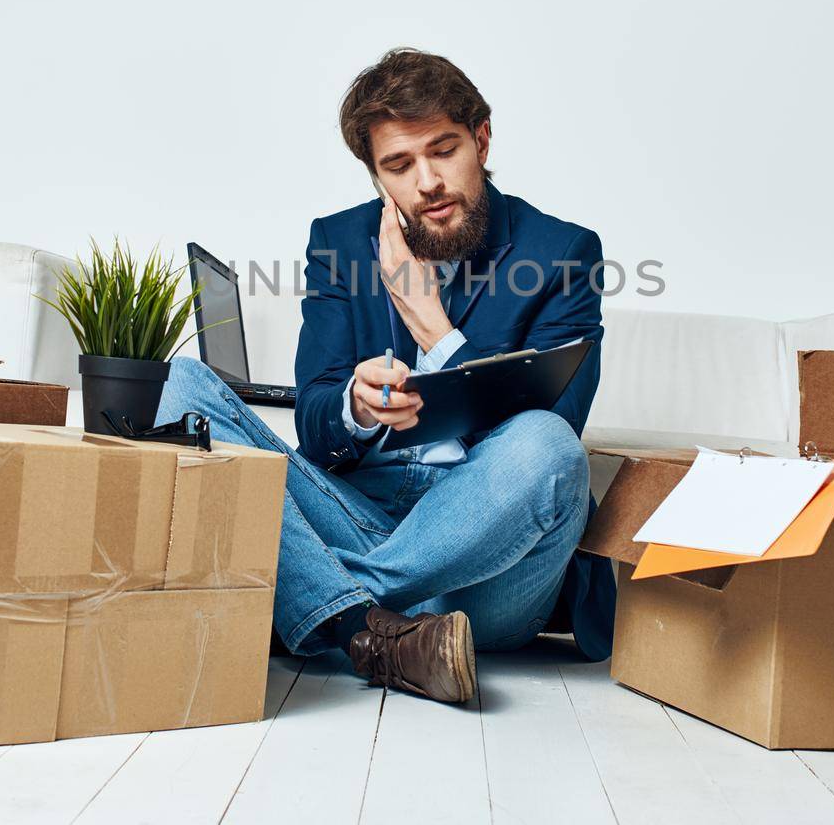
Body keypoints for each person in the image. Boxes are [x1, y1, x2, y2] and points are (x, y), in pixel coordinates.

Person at [157, 47, 614, 704]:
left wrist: (434, 328)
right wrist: (355, 406)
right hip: (364, 514)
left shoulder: (563, 252)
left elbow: (552, 439)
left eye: (443, 150)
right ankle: (369, 630)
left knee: (549, 445)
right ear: (376, 176)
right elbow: (317, 427)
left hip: (487, 568)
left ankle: (316, 599)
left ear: (481, 139)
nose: (427, 180)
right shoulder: (340, 244)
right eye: (399, 165)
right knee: (186, 387)